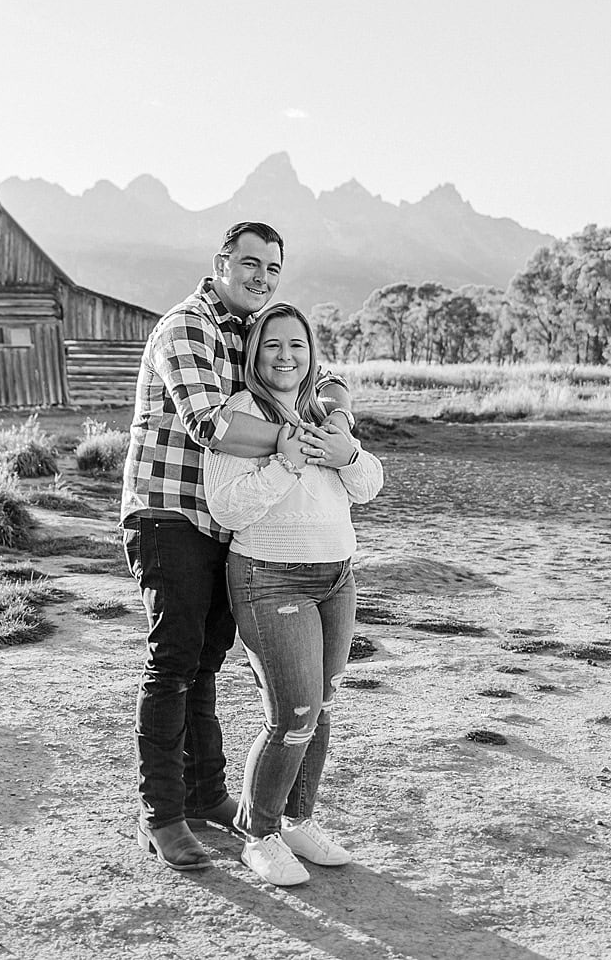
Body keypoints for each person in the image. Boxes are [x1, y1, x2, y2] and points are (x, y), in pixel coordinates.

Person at [122, 221, 358, 872]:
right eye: (249, 264)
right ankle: (161, 815)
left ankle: (205, 796)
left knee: (205, 665)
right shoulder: (189, 326)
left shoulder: (248, 330)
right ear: (222, 262)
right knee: (172, 664)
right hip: (168, 512)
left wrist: (331, 411)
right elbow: (211, 424)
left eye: (272, 268)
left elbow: (311, 377)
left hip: (225, 527)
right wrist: (298, 442)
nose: (260, 276)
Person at [204, 303, 384, 887]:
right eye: (273, 345)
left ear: (311, 354)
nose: (286, 356)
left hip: (337, 579)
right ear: (255, 354)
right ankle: (258, 835)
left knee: (322, 706)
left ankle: (298, 820)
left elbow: (367, 487)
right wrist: (286, 461)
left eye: (298, 346)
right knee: (293, 716)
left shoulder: (325, 413)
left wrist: (348, 453)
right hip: (270, 577)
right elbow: (227, 507)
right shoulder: (240, 415)